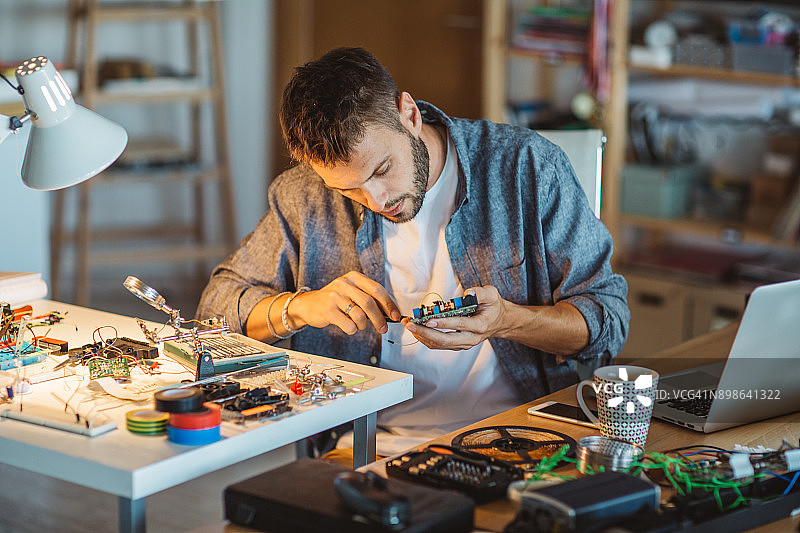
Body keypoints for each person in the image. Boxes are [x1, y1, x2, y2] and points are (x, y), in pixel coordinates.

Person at [197, 46, 629, 458]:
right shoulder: (303, 196)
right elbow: (212, 314)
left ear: (410, 114)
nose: (376, 199)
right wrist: (300, 308)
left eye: (382, 169)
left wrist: (507, 321)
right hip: (365, 442)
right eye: (348, 188)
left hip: (520, 435)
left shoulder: (527, 167)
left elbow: (607, 322)